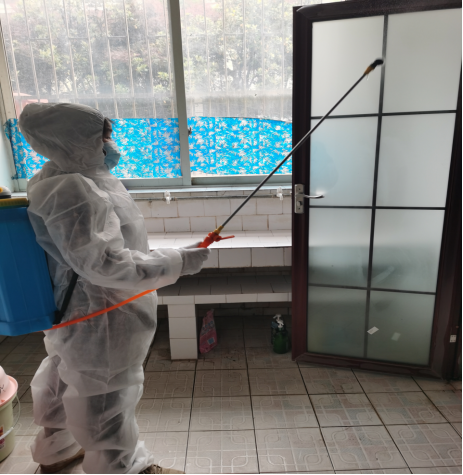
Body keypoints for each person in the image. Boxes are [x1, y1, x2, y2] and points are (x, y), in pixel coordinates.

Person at [19, 103, 210, 475]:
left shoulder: (60, 177)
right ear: (73, 141)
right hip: (101, 312)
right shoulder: (71, 189)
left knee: (63, 374)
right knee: (106, 393)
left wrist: (169, 259)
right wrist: (176, 262)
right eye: (102, 138)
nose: (110, 145)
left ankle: (56, 452)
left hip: (79, 309)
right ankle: (121, 468)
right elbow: (102, 264)